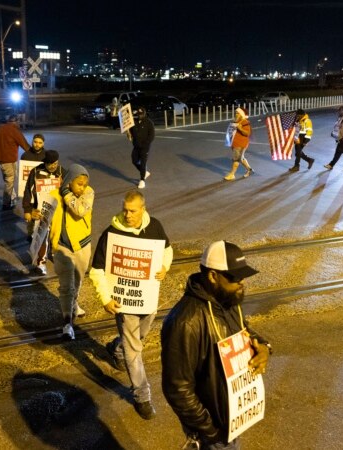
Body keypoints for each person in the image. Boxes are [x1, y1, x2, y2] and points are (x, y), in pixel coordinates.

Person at [161, 241, 271, 450]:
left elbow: (245, 331)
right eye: (235, 278)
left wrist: (264, 346)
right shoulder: (185, 322)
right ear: (213, 276)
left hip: (230, 423)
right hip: (214, 433)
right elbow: (177, 388)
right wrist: (210, 431)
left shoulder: (227, 301)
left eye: (243, 276)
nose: (242, 283)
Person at [88, 191, 173, 420]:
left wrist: (165, 266)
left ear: (143, 209)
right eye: (125, 209)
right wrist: (105, 298)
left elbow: (167, 250)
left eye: (132, 211)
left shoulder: (154, 226)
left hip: (147, 300)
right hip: (124, 303)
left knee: (136, 338)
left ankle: (116, 348)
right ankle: (142, 395)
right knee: (135, 349)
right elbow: (96, 270)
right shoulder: (112, 233)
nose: (127, 215)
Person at [49, 164, 94, 340]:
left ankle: (74, 304)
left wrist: (67, 194)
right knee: (66, 286)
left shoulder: (89, 193)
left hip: (82, 245)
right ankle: (67, 322)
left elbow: (80, 211)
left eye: (84, 184)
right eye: (79, 184)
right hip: (61, 247)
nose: (82, 188)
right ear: (69, 181)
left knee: (78, 280)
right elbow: (45, 219)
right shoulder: (53, 196)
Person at [23, 150, 65, 275]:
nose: (53, 166)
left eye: (55, 163)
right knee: (42, 237)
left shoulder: (63, 172)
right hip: (41, 211)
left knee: (59, 236)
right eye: (50, 164)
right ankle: (41, 263)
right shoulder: (35, 172)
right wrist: (28, 210)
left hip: (58, 211)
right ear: (45, 163)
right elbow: (28, 192)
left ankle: (56, 255)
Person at [0, 114, 31, 210]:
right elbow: (25, 145)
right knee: (10, 181)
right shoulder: (15, 130)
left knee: (9, 180)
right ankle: (6, 203)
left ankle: (12, 196)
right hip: (10, 161)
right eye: (18, 122)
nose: (19, 124)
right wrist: (35, 154)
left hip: (2, 162)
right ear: (15, 121)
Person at [223, 107, 254, 180]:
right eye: (235, 113)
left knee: (236, 159)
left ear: (241, 114)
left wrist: (240, 128)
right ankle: (250, 170)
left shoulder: (245, 122)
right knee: (241, 158)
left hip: (240, 144)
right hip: (235, 144)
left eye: (238, 113)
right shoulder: (236, 121)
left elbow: (247, 133)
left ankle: (232, 174)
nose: (236, 114)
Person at [128, 107, 155, 189]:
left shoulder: (149, 123)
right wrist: (129, 134)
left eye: (141, 114)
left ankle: (142, 180)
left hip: (145, 147)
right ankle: (144, 172)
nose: (140, 116)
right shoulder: (134, 122)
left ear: (144, 114)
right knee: (134, 160)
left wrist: (146, 144)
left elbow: (152, 136)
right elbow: (131, 132)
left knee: (143, 163)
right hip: (136, 145)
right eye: (138, 114)